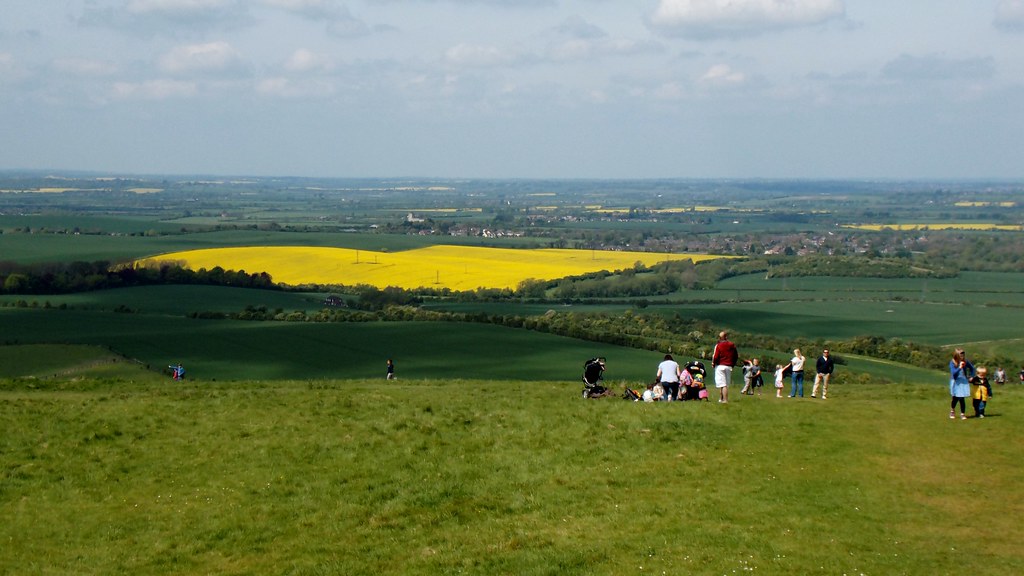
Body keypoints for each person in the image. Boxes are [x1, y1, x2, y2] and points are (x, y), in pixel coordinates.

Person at [712, 331, 738, 403]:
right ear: (726, 337)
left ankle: (725, 400)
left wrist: (713, 364)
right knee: (724, 384)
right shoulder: (732, 345)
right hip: (728, 366)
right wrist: (732, 364)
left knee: (722, 384)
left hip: (720, 366)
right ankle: (721, 398)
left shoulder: (718, 345)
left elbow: (716, 356)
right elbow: (736, 356)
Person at [949, 348, 973, 420]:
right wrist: (959, 367)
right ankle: (952, 410)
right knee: (955, 398)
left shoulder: (965, 361)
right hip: (955, 381)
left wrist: (971, 376)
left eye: (963, 355)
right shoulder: (952, 362)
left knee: (961, 398)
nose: (962, 357)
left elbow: (972, 368)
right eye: (960, 356)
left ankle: (962, 414)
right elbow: (953, 372)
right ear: (956, 356)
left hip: (963, 381)